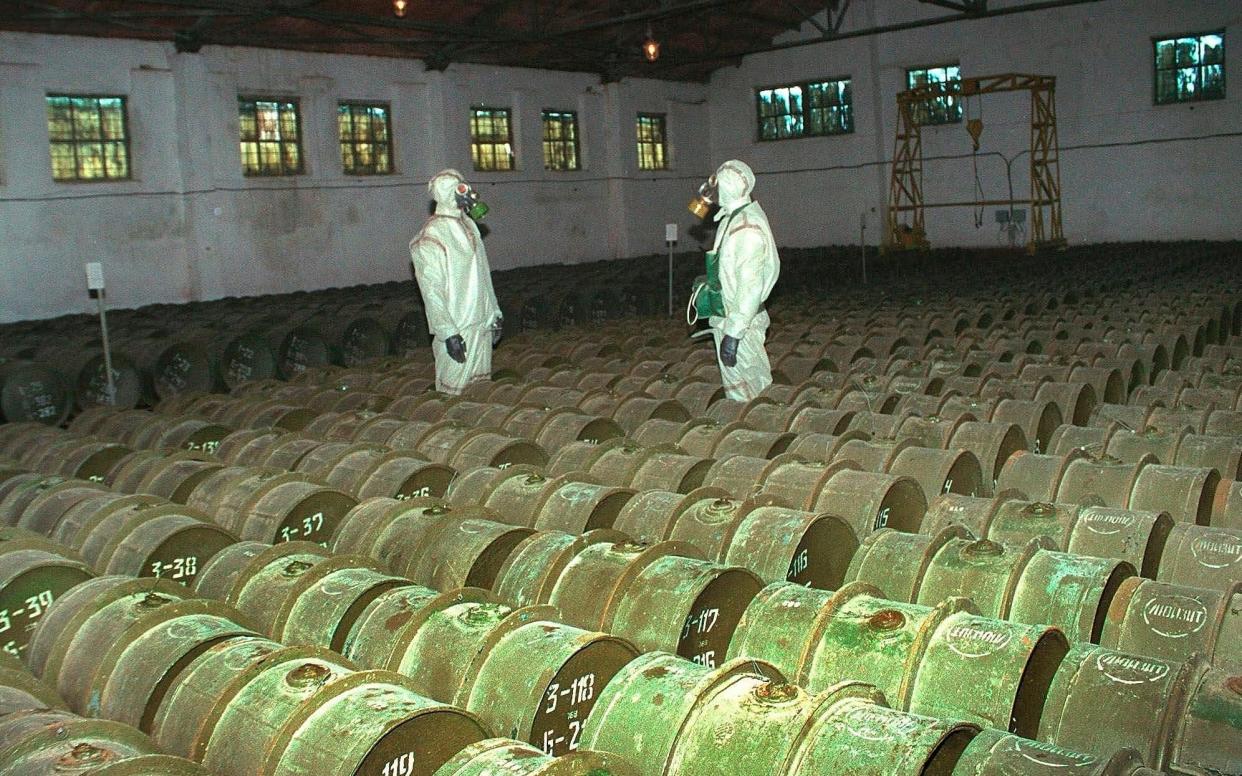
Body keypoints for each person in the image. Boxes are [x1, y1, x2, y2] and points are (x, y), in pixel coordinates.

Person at [691, 160, 780, 401]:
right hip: (730, 318)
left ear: (728, 188)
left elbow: (750, 288)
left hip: (742, 324)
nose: (714, 193)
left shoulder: (747, 229)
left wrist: (734, 333)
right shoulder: (733, 217)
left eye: (719, 187)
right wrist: (706, 194)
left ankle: (761, 431)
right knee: (739, 390)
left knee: (751, 391)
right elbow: (698, 210)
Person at [409, 169, 502, 395]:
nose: (467, 194)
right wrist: (448, 332)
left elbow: (482, 274)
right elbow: (431, 291)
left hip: (480, 325)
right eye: (460, 189)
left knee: (480, 393)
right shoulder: (431, 236)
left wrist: (494, 314)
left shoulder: (469, 226)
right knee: (454, 395)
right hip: (458, 327)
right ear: (449, 193)